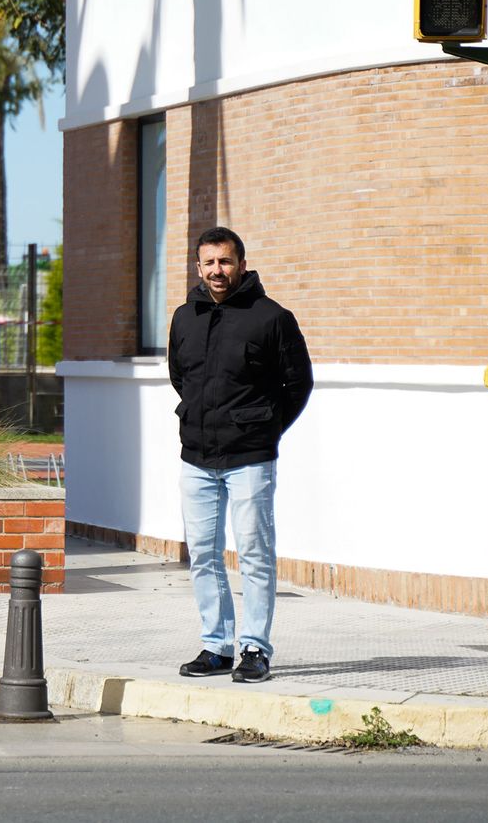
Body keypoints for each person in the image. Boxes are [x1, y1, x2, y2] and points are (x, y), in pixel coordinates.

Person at [168, 226, 312, 683]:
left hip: (250, 459)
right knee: (204, 555)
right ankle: (216, 646)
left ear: (242, 264)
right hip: (196, 458)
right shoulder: (183, 318)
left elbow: (299, 384)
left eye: (225, 261)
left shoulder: (272, 318)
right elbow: (181, 377)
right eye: (208, 262)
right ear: (198, 267)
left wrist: (263, 429)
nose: (217, 270)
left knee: (254, 554)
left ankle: (255, 648)